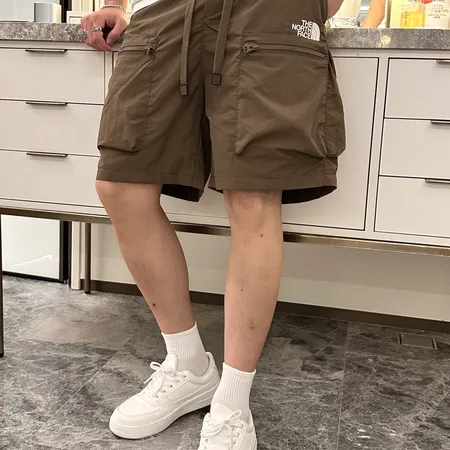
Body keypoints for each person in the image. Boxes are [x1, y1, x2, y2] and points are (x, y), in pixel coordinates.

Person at [82, 0, 345, 448]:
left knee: (253, 194)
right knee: (121, 184)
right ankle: (188, 365)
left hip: (267, 11)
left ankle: (232, 402)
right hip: (164, 13)